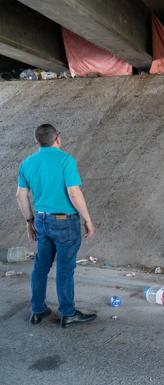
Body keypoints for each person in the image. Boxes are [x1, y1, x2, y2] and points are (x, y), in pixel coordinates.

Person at [16, 124, 97, 328]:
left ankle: (38, 310)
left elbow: (20, 195)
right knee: (65, 267)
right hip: (64, 222)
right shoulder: (65, 160)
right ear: (57, 138)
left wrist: (29, 222)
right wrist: (87, 219)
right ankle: (68, 313)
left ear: (38, 141)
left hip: (41, 221)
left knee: (41, 266)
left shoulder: (27, 163)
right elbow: (74, 193)